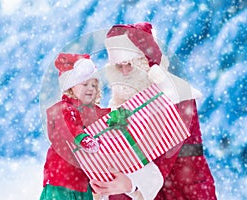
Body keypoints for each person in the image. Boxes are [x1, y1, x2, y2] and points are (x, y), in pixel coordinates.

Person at [90, 22, 217, 200]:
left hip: (182, 191)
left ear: (145, 63)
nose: (125, 72)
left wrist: (130, 183)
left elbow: (164, 156)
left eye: (130, 64)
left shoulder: (176, 96)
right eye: (119, 67)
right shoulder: (121, 104)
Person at [40, 53, 110, 200]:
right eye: (85, 84)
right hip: (61, 178)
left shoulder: (91, 111)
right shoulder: (63, 108)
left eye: (94, 84)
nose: (90, 88)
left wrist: (118, 117)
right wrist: (82, 138)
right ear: (71, 87)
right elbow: (68, 126)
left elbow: (105, 120)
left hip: (83, 180)